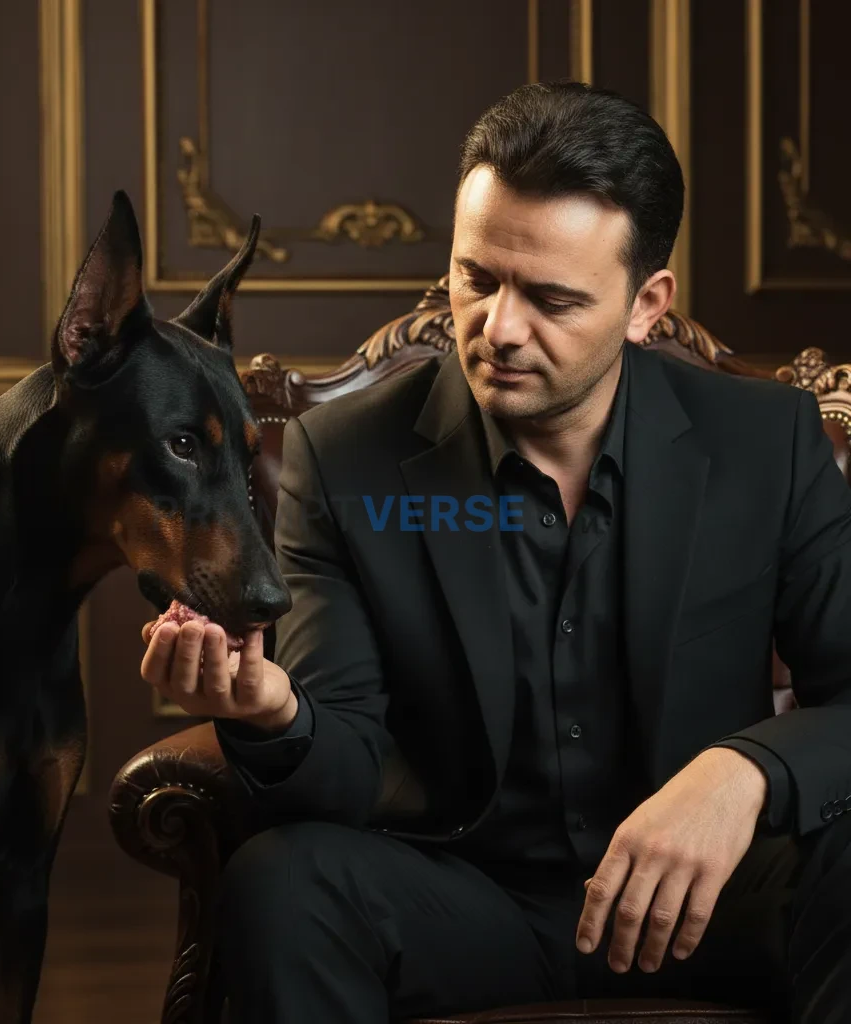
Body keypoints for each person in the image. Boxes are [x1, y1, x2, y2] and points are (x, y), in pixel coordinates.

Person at [139, 82, 851, 1024]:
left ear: (647, 304)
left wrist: (743, 773)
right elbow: (346, 753)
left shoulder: (768, 440)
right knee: (283, 884)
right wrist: (277, 715)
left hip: (710, 902)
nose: (500, 329)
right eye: (478, 278)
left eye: (553, 299)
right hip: (468, 899)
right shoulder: (344, 456)